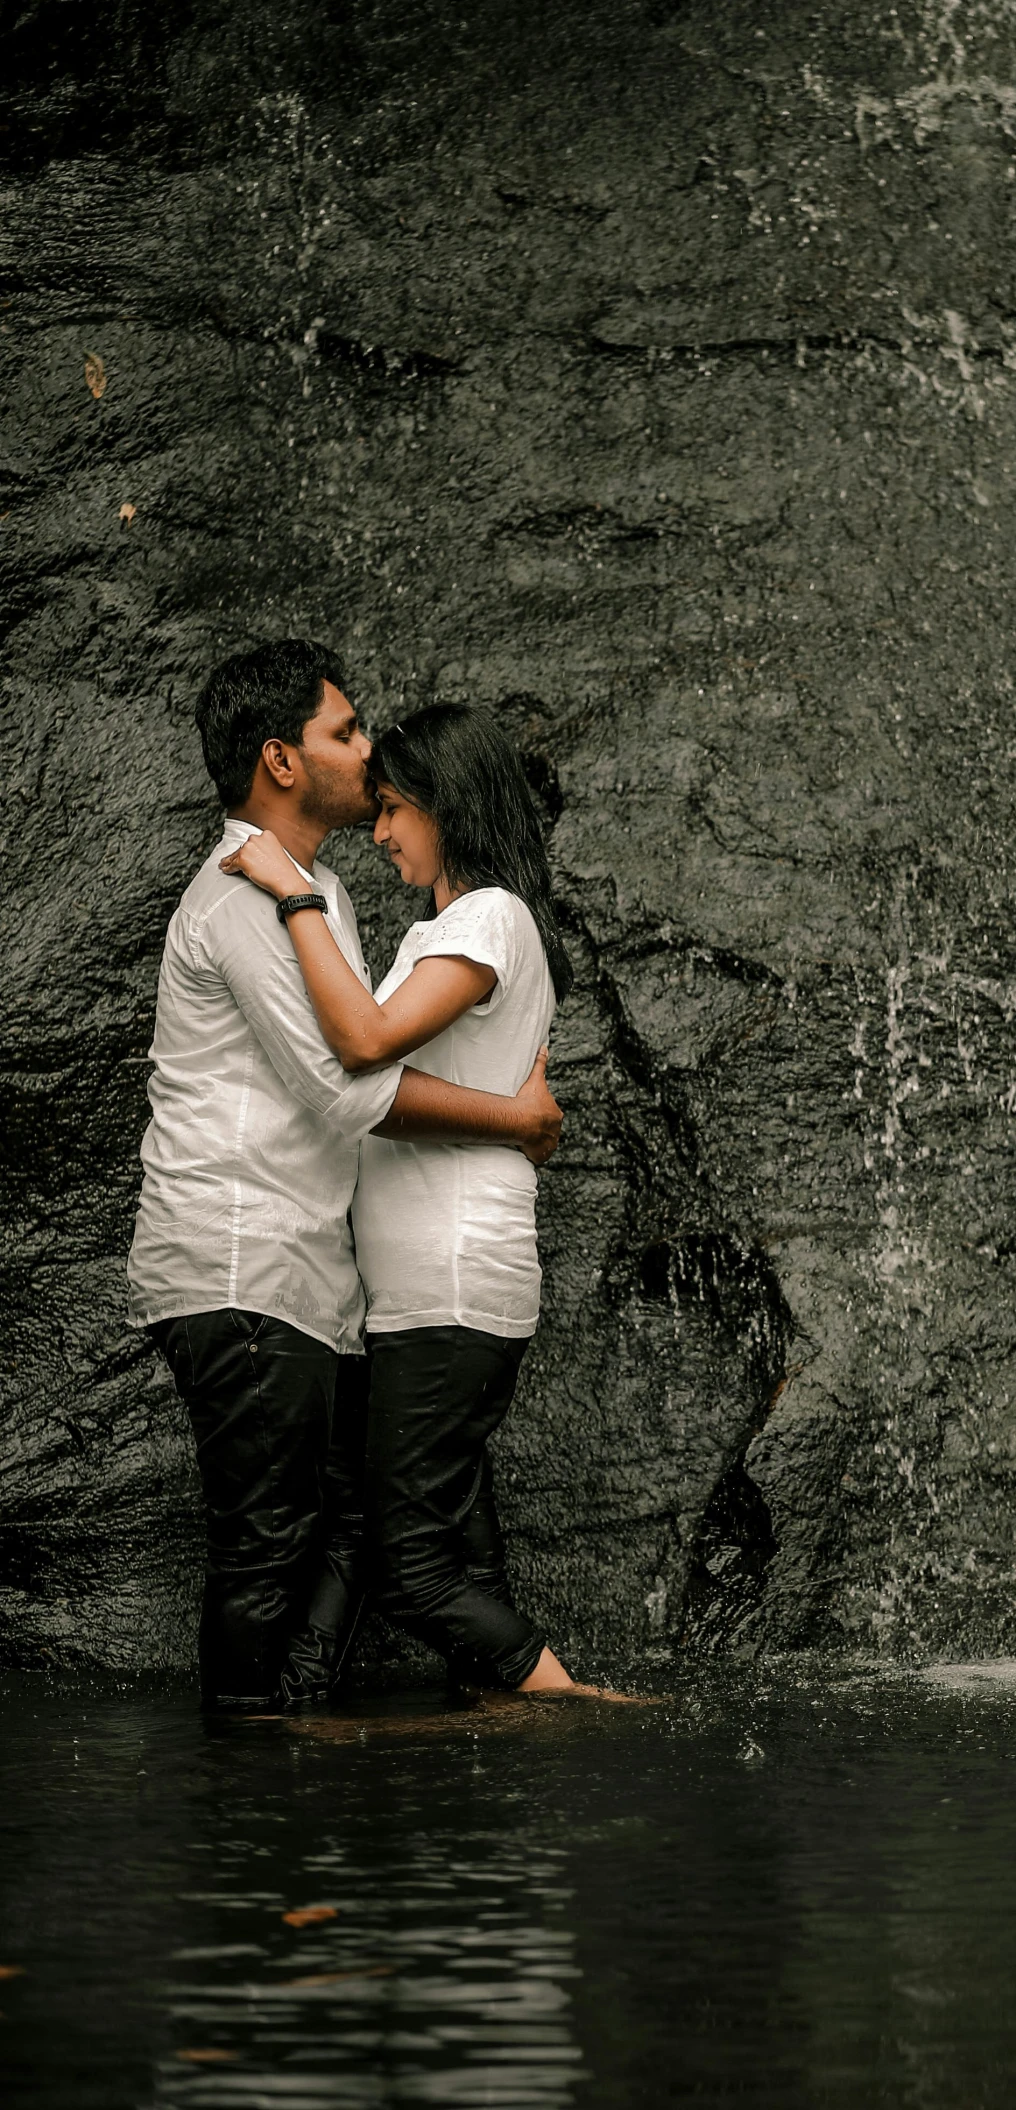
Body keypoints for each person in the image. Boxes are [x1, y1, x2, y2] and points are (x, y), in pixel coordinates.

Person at [128, 642, 562, 1715]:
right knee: (266, 1542)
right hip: (240, 1265)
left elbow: (378, 1045)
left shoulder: (317, 893)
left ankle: (297, 1748)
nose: (368, 756)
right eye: (346, 731)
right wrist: (514, 1115)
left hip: (307, 1280)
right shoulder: (248, 895)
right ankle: (244, 1777)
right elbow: (347, 1087)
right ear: (280, 760)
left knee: (340, 1526)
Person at [222, 701, 609, 1698]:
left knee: (410, 1566)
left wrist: (294, 895)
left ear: (445, 804)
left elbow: (361, 1056)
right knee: (443, 1551)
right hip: (430, 1297)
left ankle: (577, 1709)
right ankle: (498, 1734)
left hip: (449, 1289)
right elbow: (388, 1090)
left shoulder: (485, 918)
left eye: (393, 807)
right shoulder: (472, 926)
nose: (381, 829)